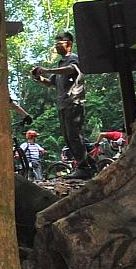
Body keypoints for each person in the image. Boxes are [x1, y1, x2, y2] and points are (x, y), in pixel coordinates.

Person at [31, 31, 93, 176]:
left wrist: (47, 69)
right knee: (67, 137)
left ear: (69, 44)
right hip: (63, 105)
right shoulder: (60, 63)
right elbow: (51, 82)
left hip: (74, 102)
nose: (56, 46)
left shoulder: (74, 59)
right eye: (56, 44)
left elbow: (70, 70)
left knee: (74, 135)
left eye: (59, 43)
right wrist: (39, 78)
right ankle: (89, 165)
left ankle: (85, 168)